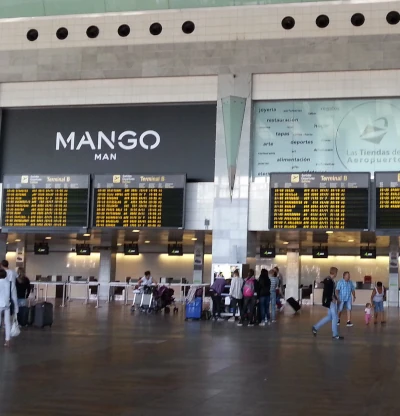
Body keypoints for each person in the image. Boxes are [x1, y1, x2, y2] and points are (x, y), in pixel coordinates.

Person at [312, 267, 343, 340]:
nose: (336, 274)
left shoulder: (331, 280)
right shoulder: (329, 280)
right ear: (334, 273)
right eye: (336, 272)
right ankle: (335, 334)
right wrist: (331, 299)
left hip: (330, 301)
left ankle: (315, 327)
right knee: (335, 317)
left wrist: (336, 298)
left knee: (330, 317)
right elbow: (327, 292)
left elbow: (332, 291)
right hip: (330, 301)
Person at [0, 268, 18, 347]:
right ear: (6, 275)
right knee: (7, 322)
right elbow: (14, 297)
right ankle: (7, 340)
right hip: (7, 305)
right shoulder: (11, 283)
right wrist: (16, 308)